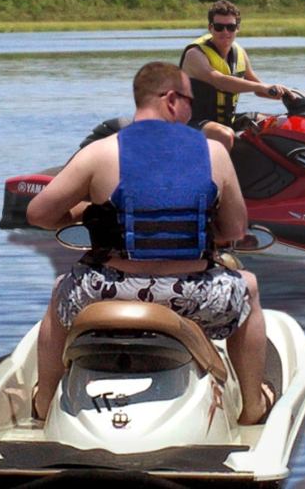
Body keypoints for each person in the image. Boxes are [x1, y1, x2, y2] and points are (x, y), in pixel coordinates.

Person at [26, 61, 273, 425]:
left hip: (107, 293)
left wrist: (81, 213)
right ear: (171, 100)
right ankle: (252, 406)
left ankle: (44, 402)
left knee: (62, 288)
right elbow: (235, 229)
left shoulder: (100, 152)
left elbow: (38, 214)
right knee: (248, 286)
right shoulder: (214, 153)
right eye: (188, 101)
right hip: (194, 298)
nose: (191, 110)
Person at [179, 0, 289, 150]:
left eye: (230, 27)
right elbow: (220, 81)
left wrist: (289, 94)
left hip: (226, 120)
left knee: (275, 122)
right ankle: (222, 174)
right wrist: (263, 87)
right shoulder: (195, 54)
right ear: (210, 28)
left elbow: (259, 89)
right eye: (219, 27)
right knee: (224, 134)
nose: (225, 32)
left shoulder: (240, 53)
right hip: (191, 122)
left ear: (237, 28)